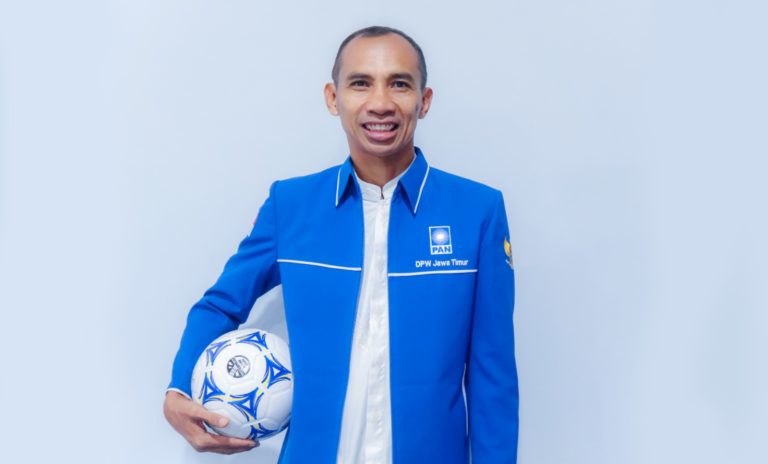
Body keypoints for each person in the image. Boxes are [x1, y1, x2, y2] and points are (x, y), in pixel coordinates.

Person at [163, 25, 519, 463]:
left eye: (399, 84)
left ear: (424, 101)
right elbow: (220, 305)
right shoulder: (290, 205)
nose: (381, 102)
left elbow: (492, 378)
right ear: (333, 98)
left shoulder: (477, 211)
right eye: (360, 83)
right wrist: (179, 388)